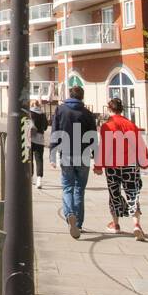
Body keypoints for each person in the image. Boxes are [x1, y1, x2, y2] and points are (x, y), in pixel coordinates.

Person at [93, 96, 148, 240]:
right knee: (132, 193)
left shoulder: (107, 126)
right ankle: (136, 224)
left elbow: (104, 148)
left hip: (112, 165)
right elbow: (140, 145)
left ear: (109, 109)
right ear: (121, 109)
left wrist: (99, 166)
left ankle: (116, 224)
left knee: (114, 193)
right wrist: (144, 161)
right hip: (130, 165)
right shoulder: (131, 125)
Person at [49, 84, 97, 239]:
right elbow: (93, 137)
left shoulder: (60, 110)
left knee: (67, 187)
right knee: (79, 189)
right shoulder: (88, 113)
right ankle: (78, 223)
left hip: (66, 153)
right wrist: (97, 157)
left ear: (70, 95)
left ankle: (69, 213)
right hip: (83, 155)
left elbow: (55, 131)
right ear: (82, 97)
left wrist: (52, 153)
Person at [27, 99, 49, 189]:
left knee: (30, 158)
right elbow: (46, 127)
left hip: (29, 139)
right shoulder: (43, 115)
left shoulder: (29, 113)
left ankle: (31, 178)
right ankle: (39, 179)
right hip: (40, 139)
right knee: (39, 159)